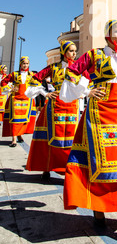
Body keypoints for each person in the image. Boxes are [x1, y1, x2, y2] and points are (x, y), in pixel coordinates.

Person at [59, 20, 117, 233]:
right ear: (108, 33)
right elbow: (71, 73)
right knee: (99, 159)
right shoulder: (95, 55)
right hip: (99, 112)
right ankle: (98, 211)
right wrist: (86, 91)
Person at [25, 41, 89, 180]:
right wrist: (45, 93)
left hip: (72, 107)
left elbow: (89, 82)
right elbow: (34, 80)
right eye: (71, 51)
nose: (74, 53)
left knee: (71, 140)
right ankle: (47, 167)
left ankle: (69, 169)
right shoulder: (54, 68)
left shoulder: (79, 68)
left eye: (75, 51)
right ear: (64, 52)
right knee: (49, 139)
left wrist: (84, 92)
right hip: (54, 107)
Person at [1, 56, 37, 147]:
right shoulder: (14, 74)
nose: (25, 65)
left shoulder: (31, 74)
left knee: (23, 120)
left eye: (27, 63)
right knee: (15, 119)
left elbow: (38, 83)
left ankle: (20, 135)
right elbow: (3, 82)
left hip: (27, 100)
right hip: (15, 99)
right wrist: (10, 89)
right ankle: (14, 140)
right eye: (23, 63)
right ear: (20, 64)